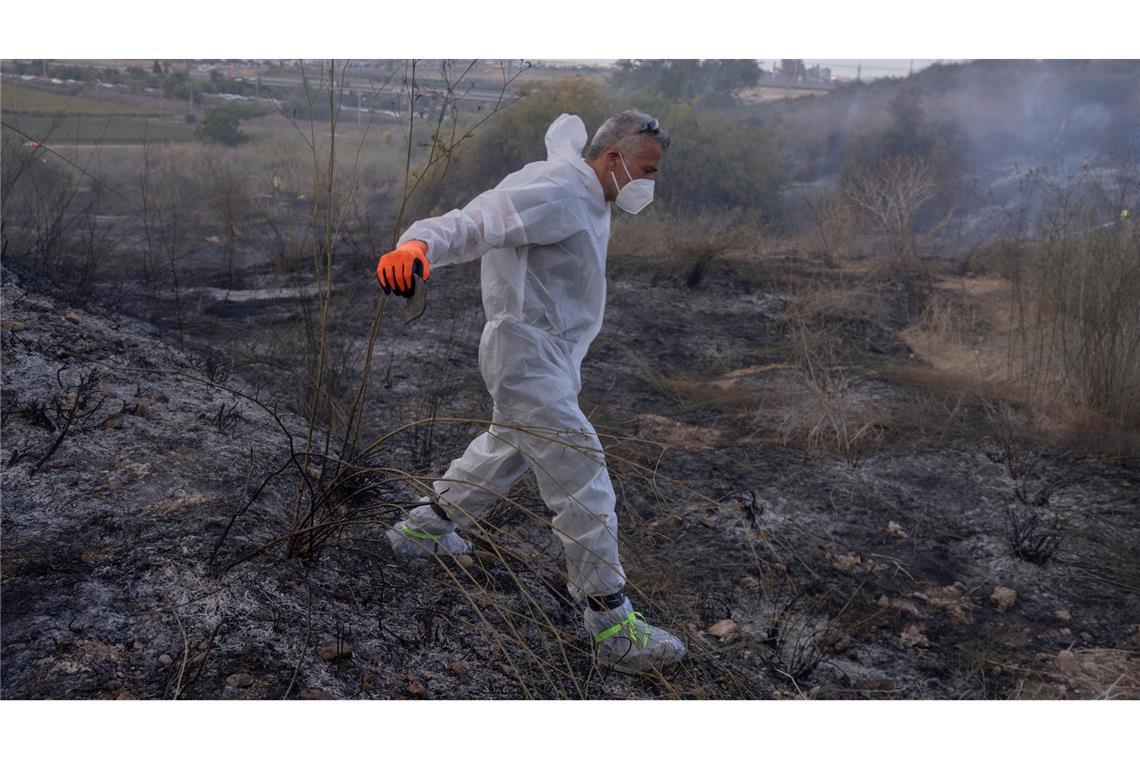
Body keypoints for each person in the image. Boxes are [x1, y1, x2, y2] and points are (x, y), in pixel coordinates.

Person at [375, 111, 686, 675]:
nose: (649, 183)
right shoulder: (559, 188)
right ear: (613, 158)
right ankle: (611, 625)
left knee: (504, 451)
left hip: (549, 359)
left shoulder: (591, 195)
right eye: (646, 169)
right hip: (525, 355)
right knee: (583, 474)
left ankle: (419, 531)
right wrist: (419, 243)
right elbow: (478, 221)